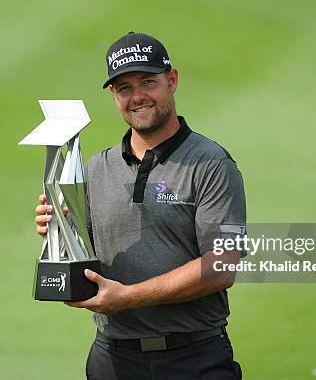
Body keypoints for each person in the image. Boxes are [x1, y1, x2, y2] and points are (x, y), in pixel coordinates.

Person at [35, 32, 246, 379]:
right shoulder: (94, 169)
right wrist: (57, 229)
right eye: (124, 88)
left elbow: (222, 267)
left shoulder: (211, 164)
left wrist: (128, 296)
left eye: (148, 82)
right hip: (113, 359)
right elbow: (84, 257)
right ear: (113, 95)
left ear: (172, 80)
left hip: (194, 358)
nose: (138, 97)